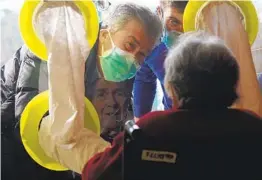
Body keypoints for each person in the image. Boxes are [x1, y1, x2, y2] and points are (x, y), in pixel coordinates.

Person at [1, 2, 162, 180]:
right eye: (130, 45)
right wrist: (108, 163)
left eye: (142, 55)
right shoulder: (58, 46)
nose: (133, 58)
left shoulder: (123, 76)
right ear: (105, 34)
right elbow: (40, 124)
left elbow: (115, 125)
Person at [81, 31, 262, 180]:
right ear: (232, 83)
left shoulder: (149, 129)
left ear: (172, 88)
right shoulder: (253, 127)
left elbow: (94, 174)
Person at [133, 0, 188, 121]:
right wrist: (139, 123)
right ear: (159, 13)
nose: (182, 32)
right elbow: (143, 78)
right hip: (171, 122)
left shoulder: (212, 43)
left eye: (189, 23)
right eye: (174, 22)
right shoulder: (151, 41)